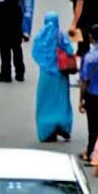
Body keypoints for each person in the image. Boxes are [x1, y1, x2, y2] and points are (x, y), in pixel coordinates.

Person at [33, 11, 76, 142]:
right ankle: (63, 125)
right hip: (61, 75)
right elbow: (69, 50)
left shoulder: (40, 37)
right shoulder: (61, 35)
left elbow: (35, 53)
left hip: (46, 76)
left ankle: (47, 130)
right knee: (62, 100)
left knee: (45, 101)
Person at [79, 24, 98, 164]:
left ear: (91, 37)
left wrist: (81, 99)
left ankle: (91, 152)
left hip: (93, 94)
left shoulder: (90, 57)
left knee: (93, 126)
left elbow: (84, 80)